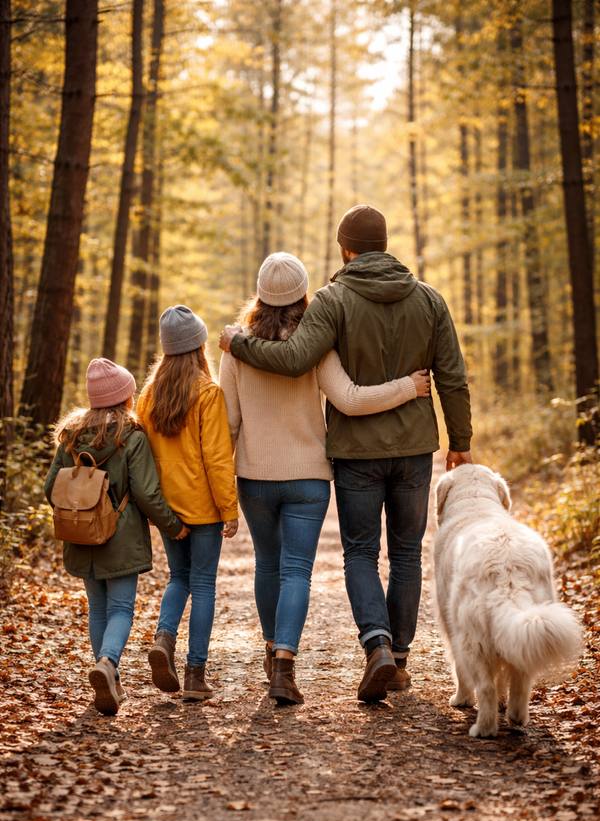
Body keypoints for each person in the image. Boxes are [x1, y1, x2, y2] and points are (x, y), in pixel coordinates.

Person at [220, 206, 473, 703]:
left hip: (357, 454)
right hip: (416, 450)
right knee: (405, 553)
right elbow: (453, 376)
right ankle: (397, 658)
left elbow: (294, 360)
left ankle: (374, 644)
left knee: (360, 552)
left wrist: (237, 345)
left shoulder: (334, 301)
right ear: (384, 243)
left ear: (345, 249)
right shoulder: (430, 300)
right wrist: (460, 442)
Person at [45, 358, 188, 716]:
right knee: (122, 608)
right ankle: (108, 664)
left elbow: (51, 489)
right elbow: (146, 492)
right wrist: (174, 526)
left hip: (80, 535)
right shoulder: (131, 436)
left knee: (98, 607)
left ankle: (109, 676)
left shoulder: (72, 436)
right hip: (119, 535)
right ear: (125, 397)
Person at [137, 306, 238, 702]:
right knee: (204, 584)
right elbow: (217, 458)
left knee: (177, 578)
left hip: (167, 507)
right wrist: (229, 509)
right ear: (198, 345)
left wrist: (153, 508)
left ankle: (164, 638)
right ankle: (195, 675)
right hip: (203, 509)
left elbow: (142, 456)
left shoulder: (147, 397)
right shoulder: (208, 393)